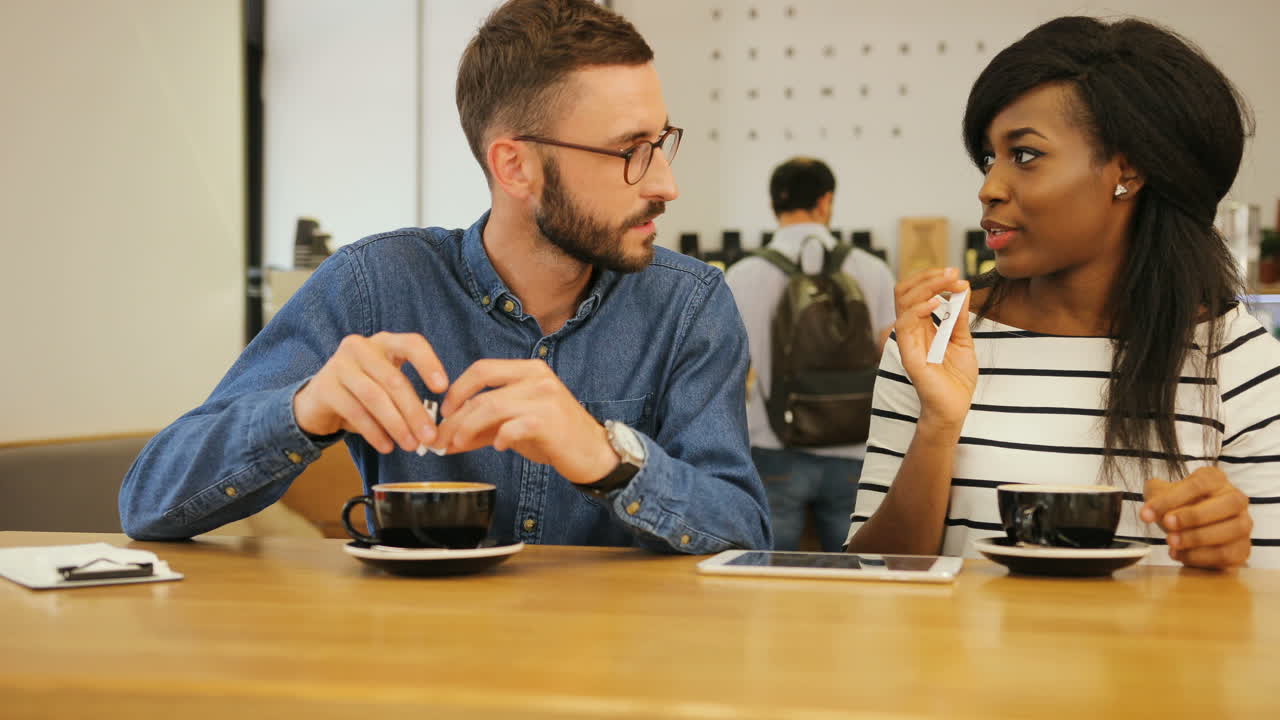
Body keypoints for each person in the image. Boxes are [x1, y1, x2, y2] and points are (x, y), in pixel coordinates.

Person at [119, 0, 772, 553]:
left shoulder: (689, 305)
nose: (666, 183)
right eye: (631, 151)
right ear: (514, 167)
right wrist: (304, 410)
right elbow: (147, 503)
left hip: (617, 677)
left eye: (662, 142)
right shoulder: (374, 285)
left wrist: (606, 456)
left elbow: (745, 532)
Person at [846, 16, 1280, 568]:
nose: (988, 188)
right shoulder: (940, 340)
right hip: (954, 659)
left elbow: (1262, 619)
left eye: (1024, 155)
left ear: (1128, 170)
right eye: (988, 158)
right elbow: (872, 576)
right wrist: (937, 425)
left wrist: (1224, 553)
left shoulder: (1241, 364)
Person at [726, 158, 895, 552]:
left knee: (768, 571)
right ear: (826, 201)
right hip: (854, 447)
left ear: (774, 206)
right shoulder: (871, 269)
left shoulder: (742, 274)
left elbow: (728, 368)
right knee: (858, 570)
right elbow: (891, 355)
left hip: (774, 444)